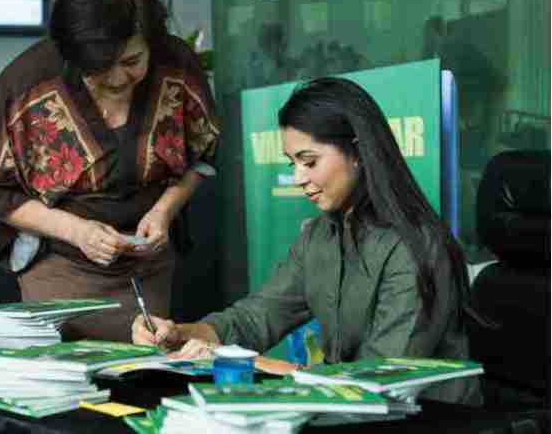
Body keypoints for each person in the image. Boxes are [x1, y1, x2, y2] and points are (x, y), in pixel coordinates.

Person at [133, 77, 482, 406]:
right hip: (343, 410)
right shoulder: (319, 235)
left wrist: (256, 364)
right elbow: (258, 317)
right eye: (293, 162)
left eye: (309, 161)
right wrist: (180, 334)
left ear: (358, 152)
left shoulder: (416, 246)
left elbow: (380, 380)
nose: (298, 178)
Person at [0, 0, 219, 342]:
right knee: (68, 379)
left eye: (132, 62)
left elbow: (203, 154)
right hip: (59, 264)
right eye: (101, 69)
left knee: (144, 372)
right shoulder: (26, 84)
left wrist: (164, 211)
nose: (119, 78)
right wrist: (77, 231)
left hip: (149, 264)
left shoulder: (176, 66)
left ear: (151, 41)